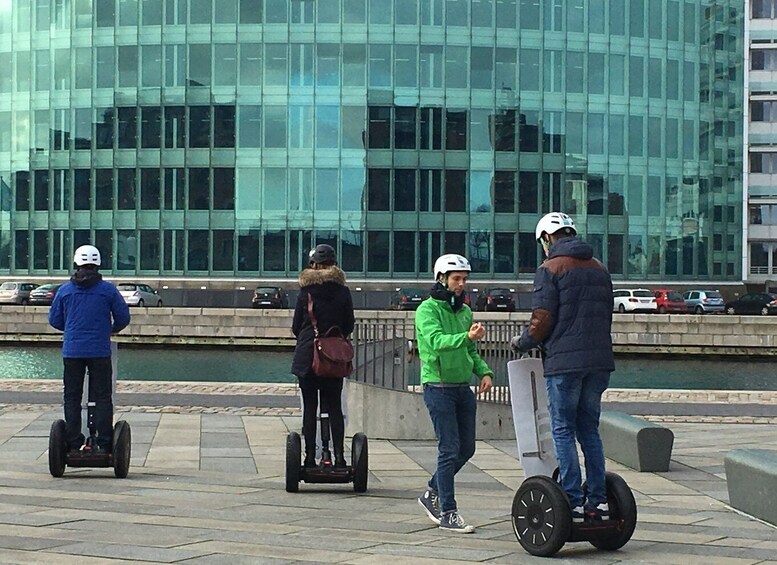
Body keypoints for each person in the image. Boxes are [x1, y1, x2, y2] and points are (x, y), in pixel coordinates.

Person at [510, 212, 615, 524]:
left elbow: (543, 319)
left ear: (547, 239)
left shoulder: (550, 268)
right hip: (598, 363)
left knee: (562, 429)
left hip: (565, 364)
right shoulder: (600, 268)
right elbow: (605, 314)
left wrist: (524, 341)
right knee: (589, 431)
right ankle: (599, 500)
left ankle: (573, 499)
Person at [415, 253, 494, 534]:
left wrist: (484, 372)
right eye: (456, 279)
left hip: (462, 388)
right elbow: (436, 342)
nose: (461, 284)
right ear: (441, 279)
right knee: (449, 449)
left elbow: (470, 351)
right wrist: (467, 337)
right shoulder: (427, 310)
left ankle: (432, 492)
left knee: (467, 448)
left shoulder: (464, 312)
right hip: (438, 387)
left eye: (464, 279)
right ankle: (448, 512)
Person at [48, 245, 131, 454]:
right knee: (103, 396)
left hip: (72, 351)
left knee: (72, 397)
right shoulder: (108, 290)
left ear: (76, 263)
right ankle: (104, 443)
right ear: (98, 264)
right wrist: (110, 330)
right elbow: (123, 317)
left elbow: (54, 320)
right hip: (99, 350)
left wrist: (72, 330)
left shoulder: (65, 290)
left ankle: (74, 442)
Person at [291, 244, 355, 468]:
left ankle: (310, 457)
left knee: (310, 408)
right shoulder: (343, 292)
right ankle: (339, 457)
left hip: (308, 358)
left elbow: (296, 327)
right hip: (334, 358)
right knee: (334, 406)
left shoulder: (304, 293)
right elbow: (349, 325)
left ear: (313, 265)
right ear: (334, 265)